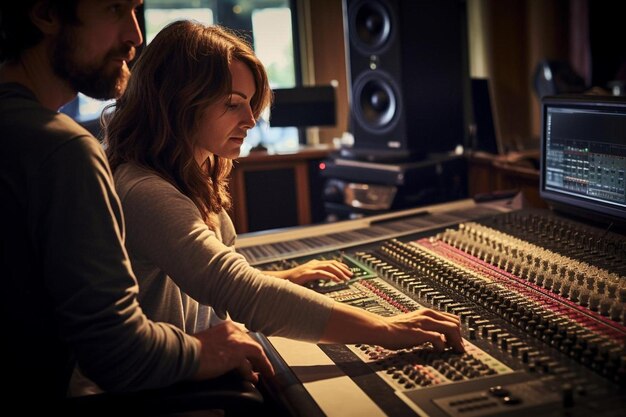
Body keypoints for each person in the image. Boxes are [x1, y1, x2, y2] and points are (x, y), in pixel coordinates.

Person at [104, 20, 465, 361]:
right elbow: (239, 292)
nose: (250, 120)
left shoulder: (190, 172)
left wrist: (281, 278)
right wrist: (386, 327)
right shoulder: (145, 190)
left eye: (250, 103)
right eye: (233, 103)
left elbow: (204, 282)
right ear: (179, 103)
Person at [0, 0, 273, 408]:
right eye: (114, 9)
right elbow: (116, 353)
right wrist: (212, 349)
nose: (135, 36)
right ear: (45, 12)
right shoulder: (59, 148)